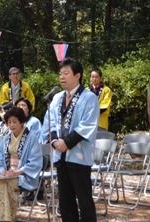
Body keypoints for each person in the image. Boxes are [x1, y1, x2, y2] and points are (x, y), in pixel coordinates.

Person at [48, 58, 99, 222]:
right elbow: (50, 123)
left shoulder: (89, 97)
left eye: (66, 73)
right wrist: (55, 141)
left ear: (77, 76)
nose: (62, 77)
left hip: (79, 157)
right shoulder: (56, 98)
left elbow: (87, 125)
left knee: (84, 201)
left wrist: (66, 143)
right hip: (60, 157)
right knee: (65, 201)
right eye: (60, 73)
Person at [0, 107, 42, 222]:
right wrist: (1, 170)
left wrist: (19, 171)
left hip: (24, 174)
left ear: (22, 122)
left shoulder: (31, 138)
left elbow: (35, 161)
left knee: (6, 183)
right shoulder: (7, 137)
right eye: (9, 122)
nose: (12, 125)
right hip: (8, 172)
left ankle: (8, 218)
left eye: (14, 122)